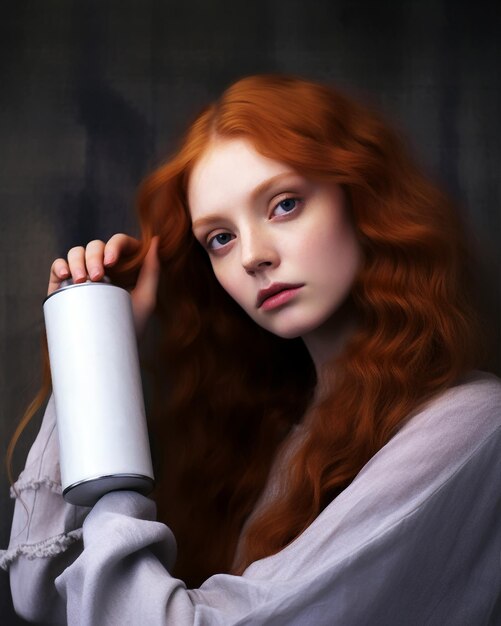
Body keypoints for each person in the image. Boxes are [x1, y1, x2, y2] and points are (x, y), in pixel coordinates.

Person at [2, 74, 500, 625]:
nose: (252, 257)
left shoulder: (474, 423)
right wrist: (93, 344)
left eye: (284, 204)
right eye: (220, 237)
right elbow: (43, 593)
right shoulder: (286, 435)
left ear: (362, 197)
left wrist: (109, 477)